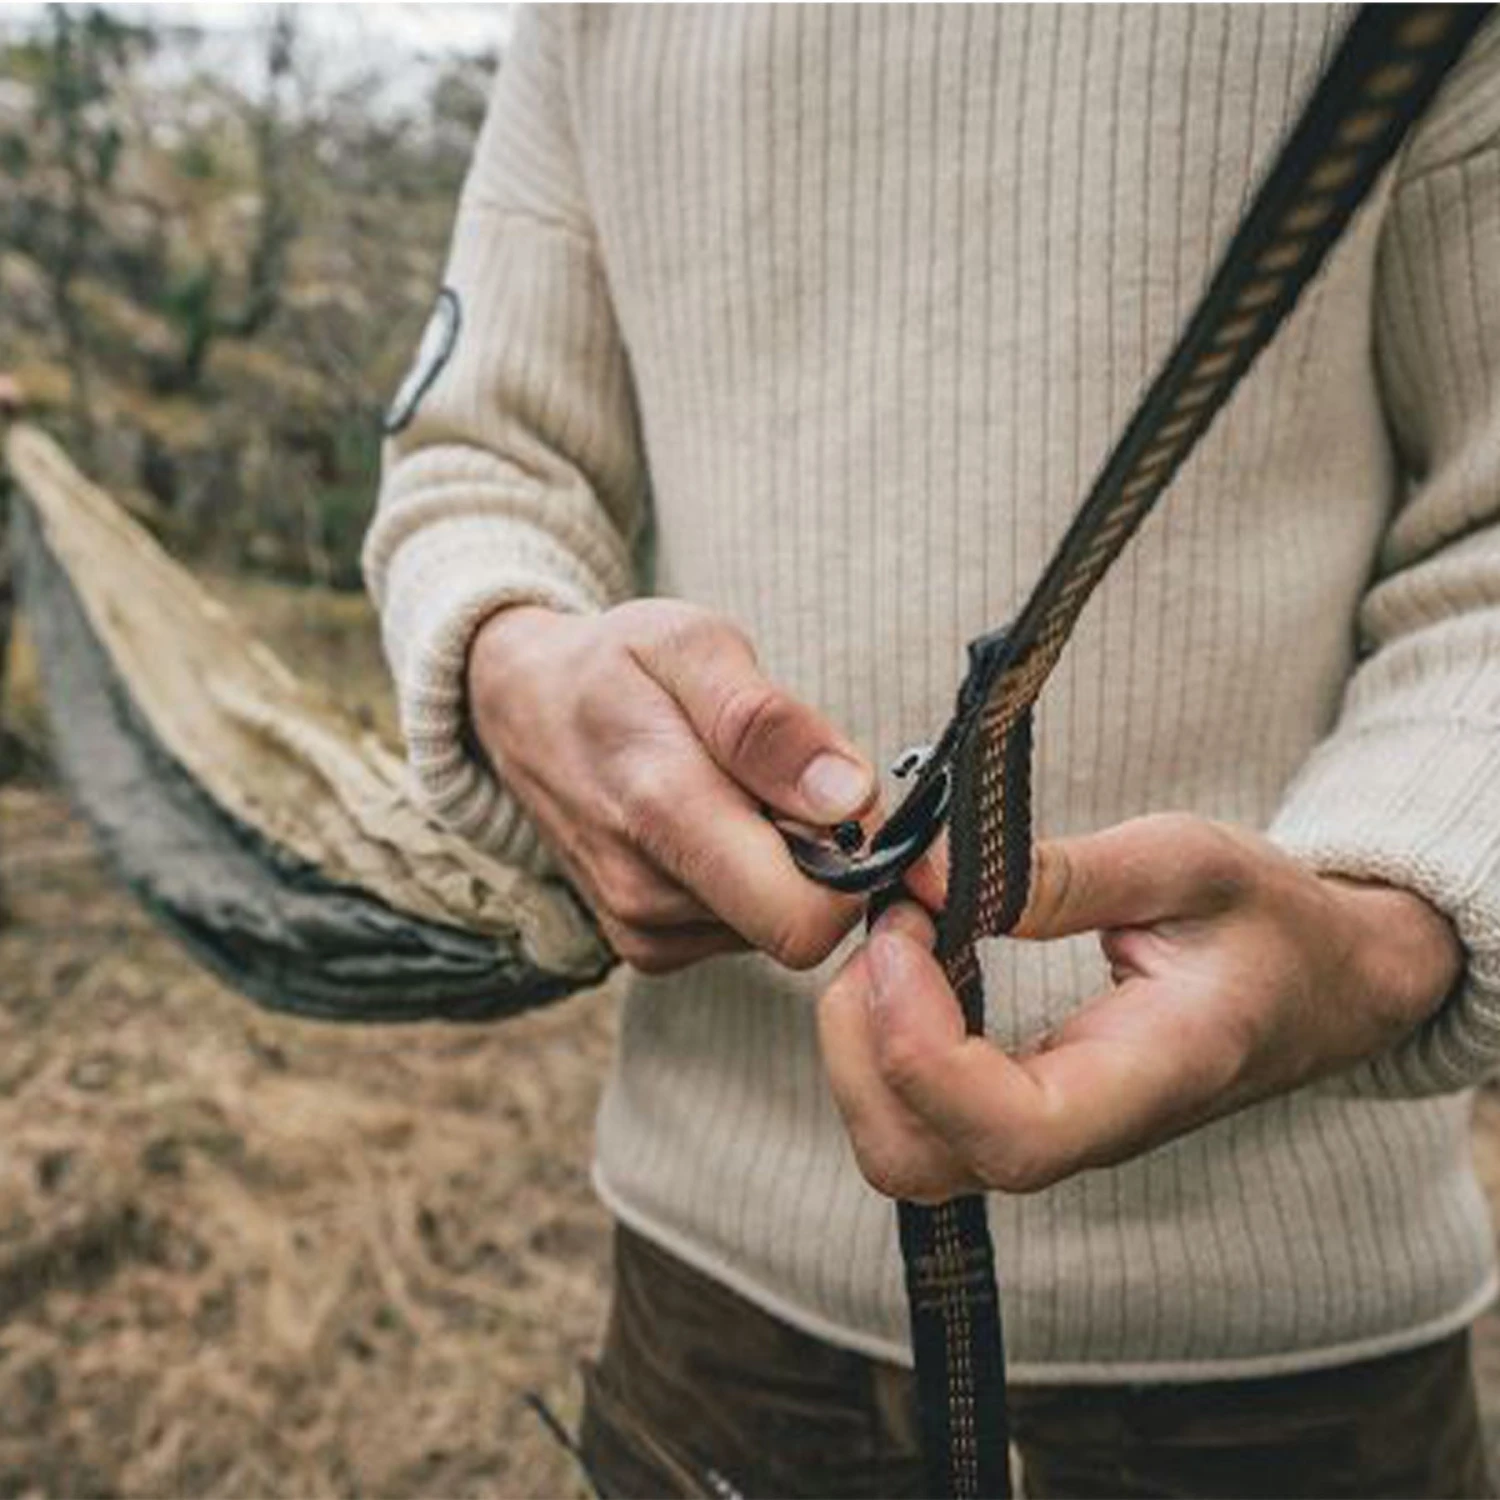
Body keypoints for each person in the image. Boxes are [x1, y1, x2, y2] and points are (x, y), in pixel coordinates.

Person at [364, 7, 1500, 1496]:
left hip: (1283, 1380)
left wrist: (1381, 937)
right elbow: (477, 460)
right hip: (704, 1322)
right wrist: (517, 663)